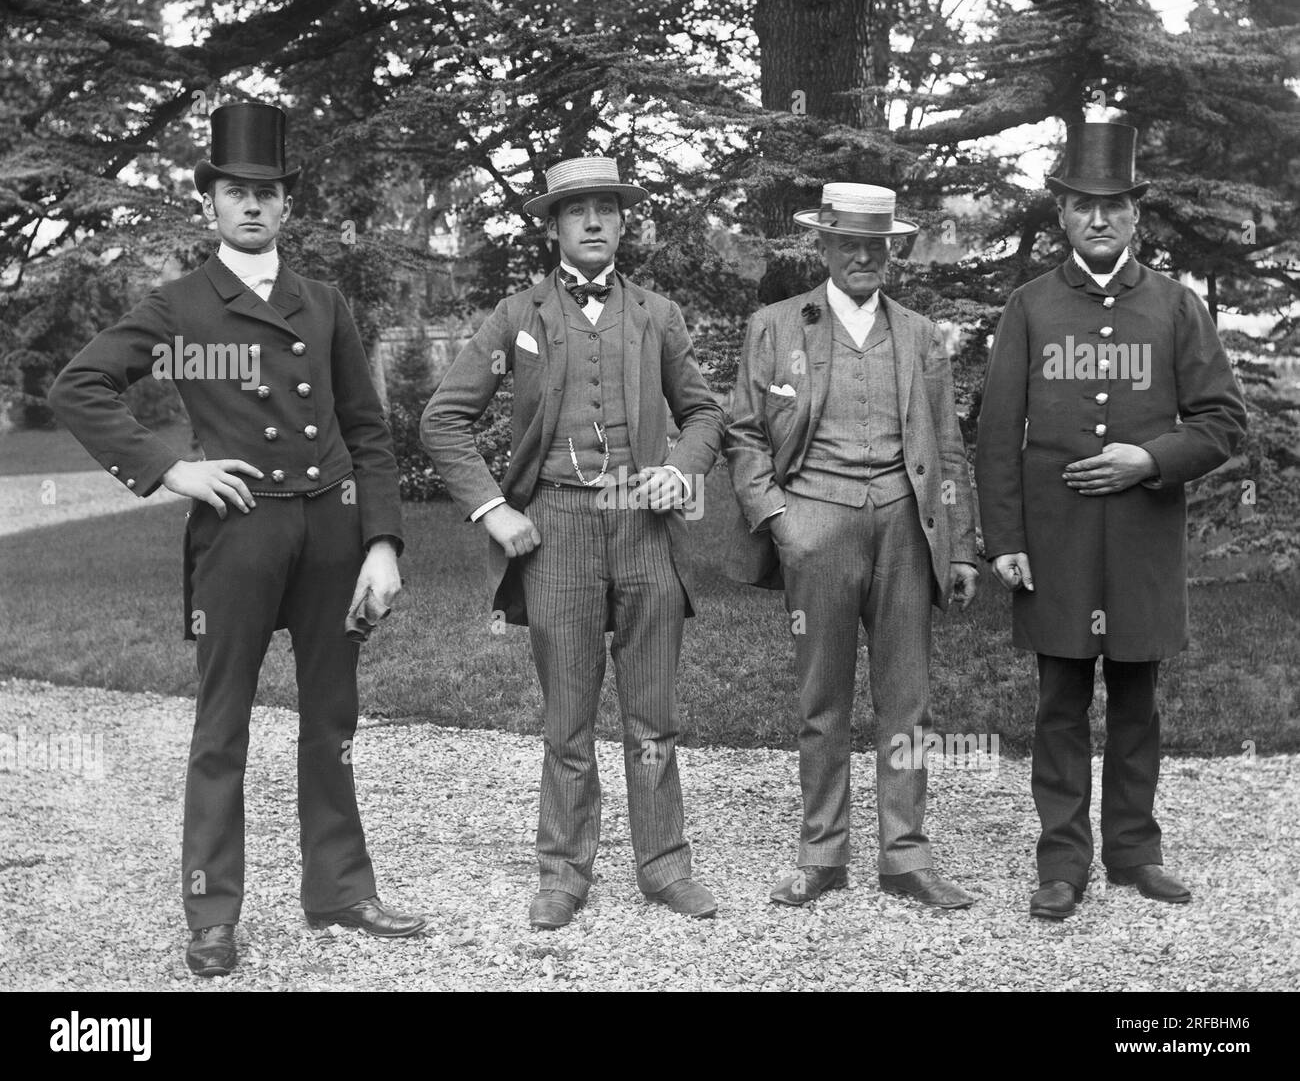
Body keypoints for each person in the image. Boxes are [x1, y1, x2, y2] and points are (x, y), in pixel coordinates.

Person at [49, 102, 425, 977]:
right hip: (241, 536)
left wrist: (384, 544)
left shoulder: (324, 303)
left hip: (333, 533)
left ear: (287, 205)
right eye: (234, 191)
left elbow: (368, 433)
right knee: (222, 726)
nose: (252, 206)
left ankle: (339, 887)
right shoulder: (179, 306)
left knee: (331, 718)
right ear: (210, 203)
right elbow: (82, 387)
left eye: (267, 192)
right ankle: (212, 911)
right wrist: (172, 469)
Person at [422, 157, 725, 929]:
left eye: (606, 208)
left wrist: (680, 472)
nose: (592, 222)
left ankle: (664, 864)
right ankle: (562, 870)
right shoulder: (517, 317)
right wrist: (494, 509)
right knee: (569, 715)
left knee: (652, 713)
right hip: (553, 528)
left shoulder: (658, 313)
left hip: (644, 529)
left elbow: (705, 415)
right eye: (575, 209)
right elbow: (442, 418)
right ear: (552, 225)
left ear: (624, 222)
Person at [975, 122, 1248, 919]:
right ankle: (1061, 861)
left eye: (1115, 206)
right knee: (1059, 702)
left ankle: (1135, 849)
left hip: (1140, 542)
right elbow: (997, 435)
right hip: (1055, 544)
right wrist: (1006, 542)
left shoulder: (1175, 306)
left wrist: (1148, 459)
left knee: (1137, 701)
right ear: (1061, 214)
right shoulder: (1029, 307)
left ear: (1136, 215)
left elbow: (1223, 420)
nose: (1099, 219)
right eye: (1083, 205)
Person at [725, 182, 980, 910]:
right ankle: (822, 854)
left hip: (906, 526)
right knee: (822, 697)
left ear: (893, 251)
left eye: (879, 243)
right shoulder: (776, 326)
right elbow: (742, 430)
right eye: (850, 243)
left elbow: (949, 446)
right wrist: (778, 516)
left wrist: (960, 549)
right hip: (817, 526)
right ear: (825, 247)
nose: (865, 255)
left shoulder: (921, 335)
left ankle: (905, 855)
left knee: (908, 699)